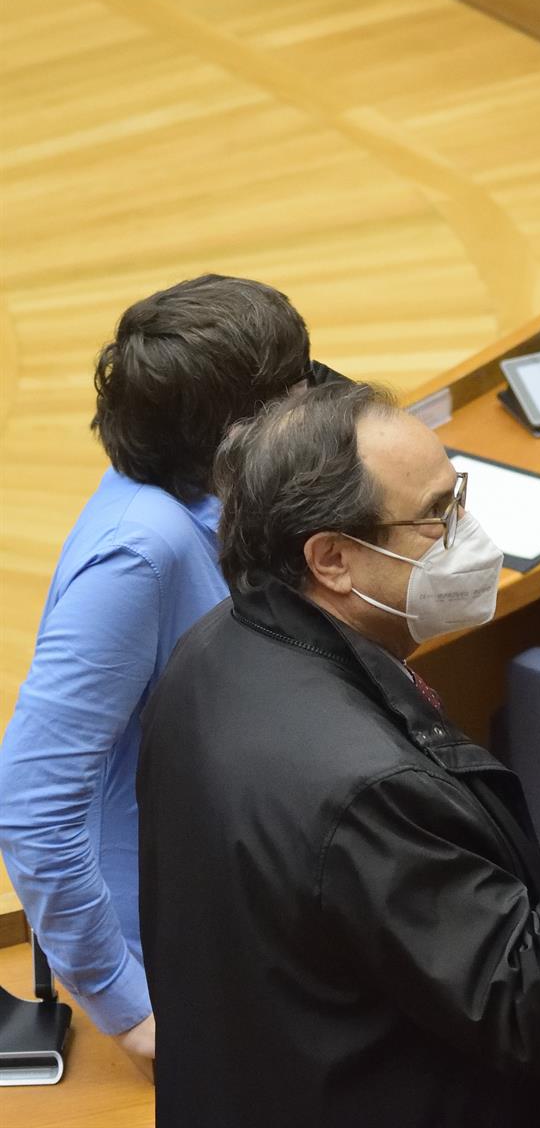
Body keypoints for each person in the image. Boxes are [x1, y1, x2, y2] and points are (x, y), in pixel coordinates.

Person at [136, 382, 540, 1127]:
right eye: (437, 515)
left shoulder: (211, 650)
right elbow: (534, 999)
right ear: (332, 558)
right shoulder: (367, 789)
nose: (471, 533)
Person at [0, 274, 317, 1079]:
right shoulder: (139, 554)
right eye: (295, 388)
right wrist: (130, 1008)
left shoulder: (196, 498)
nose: (311, 402)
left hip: (238, 916)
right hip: (179, 961)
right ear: (238, 427)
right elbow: (34, 806)